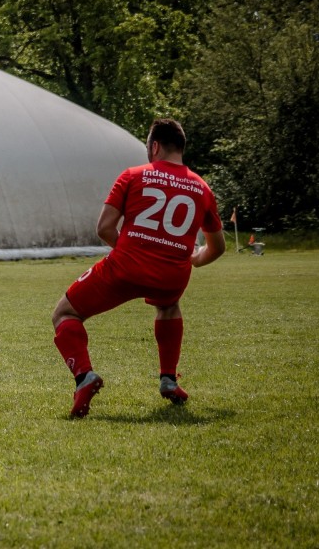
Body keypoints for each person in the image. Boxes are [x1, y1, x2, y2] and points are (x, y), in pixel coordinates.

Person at [51, 118, 225, 418]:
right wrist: (195, 259)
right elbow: (217, 247)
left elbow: (104, 228)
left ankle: (84, 376)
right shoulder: (202, 188)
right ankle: (168, 379)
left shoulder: (133, 176)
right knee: (168, 306)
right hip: (172, 275)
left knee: (64, 313)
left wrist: (130, 251)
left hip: (125, 267)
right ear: (181, 147)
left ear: (154, 146)